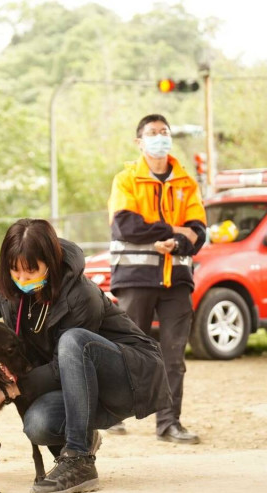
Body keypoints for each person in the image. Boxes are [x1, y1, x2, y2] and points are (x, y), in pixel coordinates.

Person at [0, 218, 172, 493]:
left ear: (49, 261)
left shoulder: (80, 296)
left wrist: (6, 389)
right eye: (15, 271)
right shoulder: (6, 288)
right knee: (37, 424)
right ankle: (83, 435)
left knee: (73, 340)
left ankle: (78, 459)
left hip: (126, 376)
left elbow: (66, 362)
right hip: (81, 386)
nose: (22, 280)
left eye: (31, 271)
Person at [106, 114, 207, 444]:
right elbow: (126, 227)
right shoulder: (126, 180)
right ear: (139, 142)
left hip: (176, 280)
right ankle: (112, 414)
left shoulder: (186, 183)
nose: (160, 137)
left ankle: (169, 424)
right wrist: (175, 230)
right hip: (136, 278)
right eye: (153, 133)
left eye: (165, 132)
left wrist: (178, 240)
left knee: (174, 356)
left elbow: (199, 232)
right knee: (129, 350)